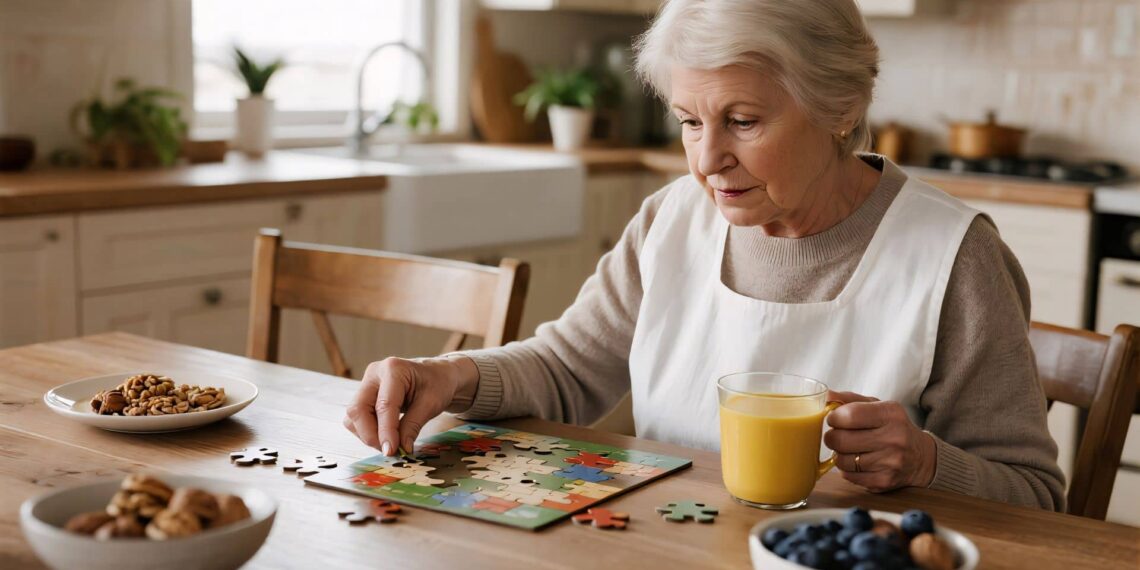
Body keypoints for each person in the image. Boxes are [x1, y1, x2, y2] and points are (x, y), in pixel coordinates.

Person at [344, 0, 1065, 511]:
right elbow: (568, 369)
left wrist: (928, 464)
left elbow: (1034, 495)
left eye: (743, 121)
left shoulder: (955, 256)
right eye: (690, 122)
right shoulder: (672, 219)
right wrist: (449, 375)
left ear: (842, 107)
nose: (709, 160)